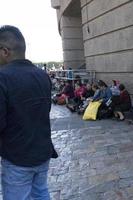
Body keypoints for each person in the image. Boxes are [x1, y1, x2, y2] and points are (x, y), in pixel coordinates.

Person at [0, 25, 57, 200]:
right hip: (42, 153)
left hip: (18, 158)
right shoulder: (42, 75)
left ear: (4, 51)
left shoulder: (3, 77)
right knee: (41, 193)